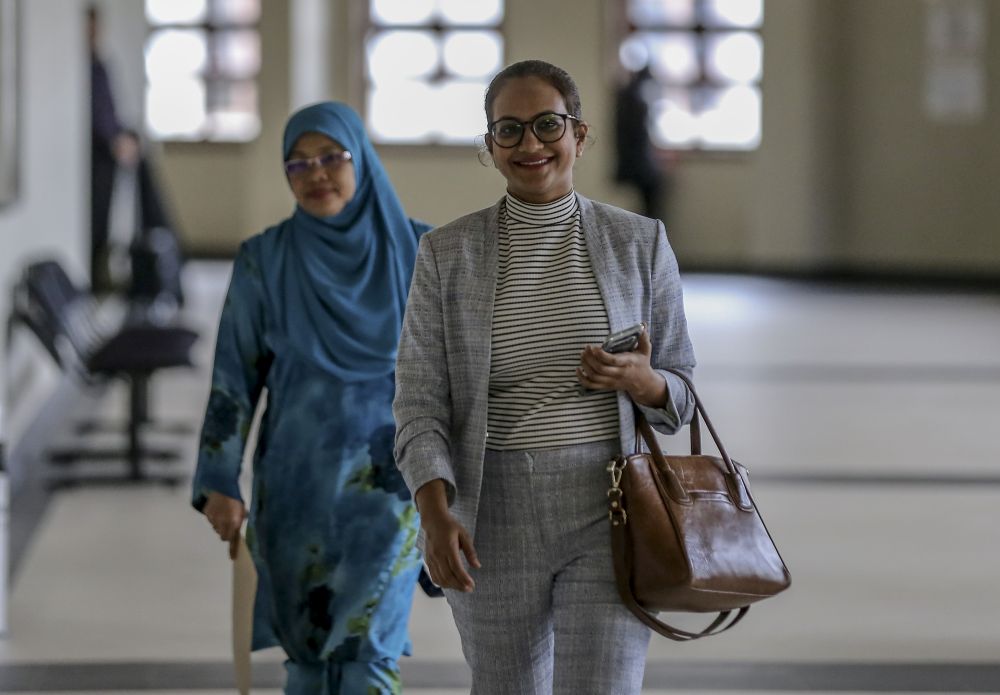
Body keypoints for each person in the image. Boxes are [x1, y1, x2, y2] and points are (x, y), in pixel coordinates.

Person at [393, 60, 697, 694]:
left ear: (579, 135)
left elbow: (682, 394)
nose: (529, 143)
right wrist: (433, 510)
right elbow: (419, 402)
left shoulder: (639, 241)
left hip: (611, 508)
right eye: (509, 129)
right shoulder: (446, 254)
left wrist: (643, 382)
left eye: (547, 125)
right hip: (490, 515)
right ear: (490, 145)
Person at [193, 101, 432, 694]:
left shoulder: (421, 252)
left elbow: (461, 375)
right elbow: (233, 378)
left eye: (331, 157)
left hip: (391, 488)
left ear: (362, 160)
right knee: (305, 653)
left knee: (369, 650)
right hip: (295, 487)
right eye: (297, 163)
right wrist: (219, 479)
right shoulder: (265, 259)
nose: (316, 173)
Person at [88, 4, 174, 293]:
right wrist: (115, 141)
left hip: (109, 152)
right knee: (95, 220)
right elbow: (96, 118)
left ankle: (162, 259)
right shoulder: (82, 69)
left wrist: (126, 138)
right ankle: (94, 277)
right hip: (96, 156)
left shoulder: (100, 65)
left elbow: (109, 114)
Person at [613, 65, 667, 223]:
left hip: (635, 164)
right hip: (637, 165)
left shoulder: (629, 97)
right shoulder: (634, 100)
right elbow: (638, 137)